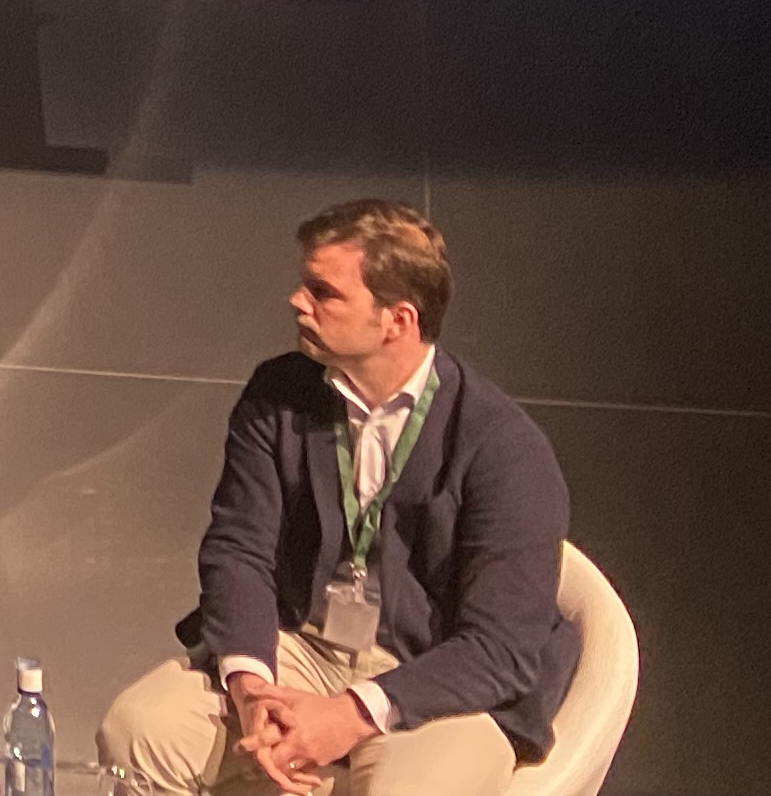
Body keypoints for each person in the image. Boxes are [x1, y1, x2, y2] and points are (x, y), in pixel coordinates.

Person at [95, 201, 575, 796]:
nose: (298, 301)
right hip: (302, 647)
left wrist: (350, 714)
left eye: (323, 292)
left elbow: (499, 648)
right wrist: (250, 688)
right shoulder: (278, 394)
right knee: (140, 731)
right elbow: (237, 552)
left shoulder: (504, 447)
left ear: (397, 319)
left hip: (436, 682)